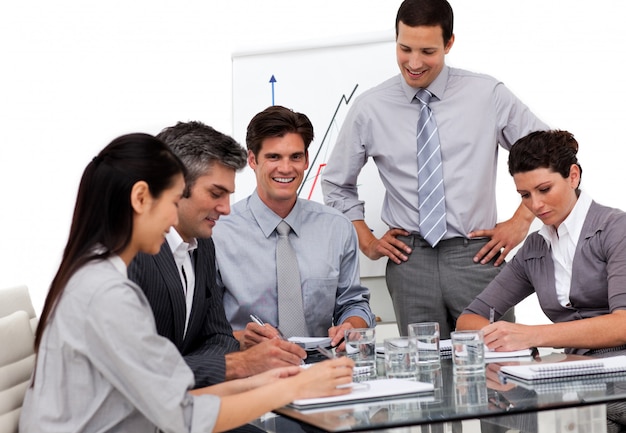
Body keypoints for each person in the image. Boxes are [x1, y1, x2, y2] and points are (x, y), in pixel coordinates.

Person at [19, 133, 354, 433]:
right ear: (140, 198)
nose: (172, 219)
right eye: (172, 201)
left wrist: (277, 379)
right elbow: (184, 418)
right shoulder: (107, 293)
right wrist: (291, 389)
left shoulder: (99, 275)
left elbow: (176, 392)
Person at [321, 0, 548, 338]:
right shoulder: (370, 108)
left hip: (477, 256)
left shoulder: (487, 95)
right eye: (404, 48)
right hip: (410, 261)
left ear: (449, 43)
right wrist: (365, 240)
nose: (413, 63)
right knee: (423, 374)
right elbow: (337, 183)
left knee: (495, 362)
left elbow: (546, 155)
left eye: (427, 51)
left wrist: (521, 221)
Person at [457, 129, 626, 433]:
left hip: (616, 377)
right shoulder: (535, 249)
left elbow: (622, 325)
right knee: (511, 411)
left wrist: (530, 336)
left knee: (563, 420)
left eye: (544, 189)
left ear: (573, 176)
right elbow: (469, 318)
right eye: (524, 195)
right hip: (575, 380)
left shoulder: (616, 230)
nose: (535, 205)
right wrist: (505, 339)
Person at [128, 121, 306, 390]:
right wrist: (239, 364)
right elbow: (139, 369)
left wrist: (204, 362)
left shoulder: (203, 243)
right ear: (175, 186)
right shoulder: (131, 254)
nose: (225, 209)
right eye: (215, 193)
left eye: (228, 196)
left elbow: (218, 337)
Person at [212, 105, 375, 351]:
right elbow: (203, 326)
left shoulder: (336, 228)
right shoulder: (217, 232)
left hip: (320, 367)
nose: (286, 168)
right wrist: (239, 338)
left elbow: (353, 303)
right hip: (249, 369)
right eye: (274, 157)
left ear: (307, 160)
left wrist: (352, 324)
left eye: (295, 157)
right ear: (253, 160)